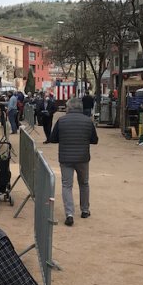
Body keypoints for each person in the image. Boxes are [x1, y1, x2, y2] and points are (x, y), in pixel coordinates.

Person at [48, 97, 98, 227]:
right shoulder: (88, 121)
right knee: (84, 183)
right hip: (82, 157)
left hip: (66, 158)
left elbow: (53, 138)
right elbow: (94, 140)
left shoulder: (61, 121)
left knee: (67, 185)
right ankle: (85, 210)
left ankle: (69, 214)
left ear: (68, 108)